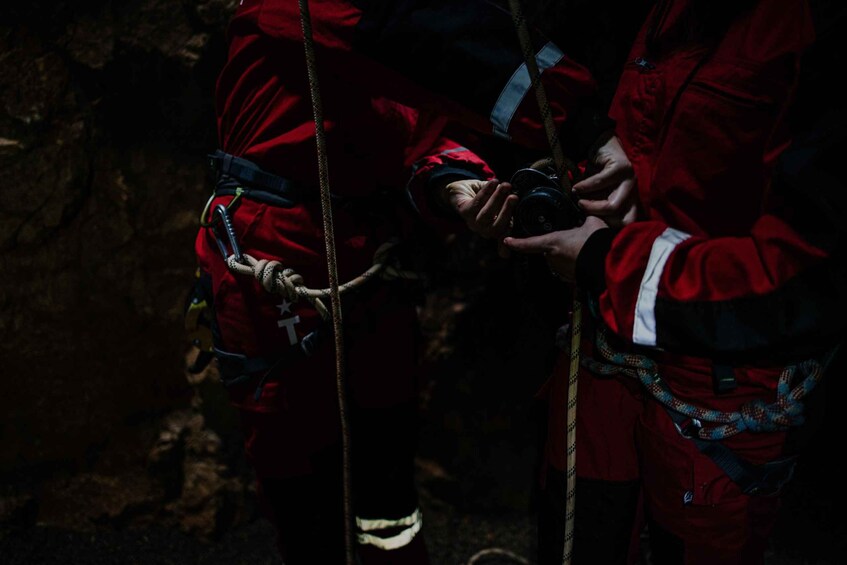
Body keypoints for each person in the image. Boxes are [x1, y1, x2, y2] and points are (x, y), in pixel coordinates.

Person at [192, 1, 635, 563]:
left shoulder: (380, 52)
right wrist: (582, 120)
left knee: (385, 441)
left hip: (372, 254)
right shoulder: (299, 10)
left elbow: (416, 133)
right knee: (297, 454)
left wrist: (458, 186)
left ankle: (396, 556)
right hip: (277, 248)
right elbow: (412, 33)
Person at [503, 0, 847, 563]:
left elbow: (805, 275)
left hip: (726, 379)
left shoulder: (816, 29)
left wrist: (604, 260)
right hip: (605, 345)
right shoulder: (670, 12)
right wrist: (608, 172)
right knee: (576, 536)